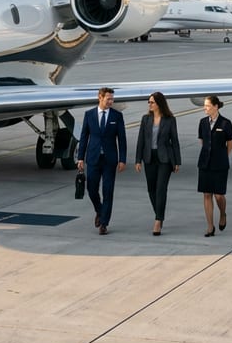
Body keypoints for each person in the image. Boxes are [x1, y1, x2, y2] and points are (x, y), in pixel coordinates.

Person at [76, 87, 127, 235]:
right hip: (93, 158)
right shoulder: (89, 115)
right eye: (108, 99)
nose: (111, 101)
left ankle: (104, 223)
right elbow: (84, 136)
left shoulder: (117, 116)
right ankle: (99, 210)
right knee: (91, 189)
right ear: (100, 97)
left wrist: (122, 159)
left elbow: (122, 139)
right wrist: (80, 157)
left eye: (112, 99)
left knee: (108, 191)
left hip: (110, 159)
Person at [133, 91, 181, 236]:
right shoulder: (145, 119)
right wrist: (137, 160)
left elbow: (175, 141)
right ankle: (159, 214)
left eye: (152, 102)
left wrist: (177, 161)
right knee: (151, 189)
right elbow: (141, 140)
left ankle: (158, 220)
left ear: (159, 103)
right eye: (149, 102)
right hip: (149, 157)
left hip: (165, 159)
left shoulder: (170, 119)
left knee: (161, 189)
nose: (150, 104)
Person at [197, 95, 232, 237]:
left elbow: (230, 144)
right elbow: (202, 141)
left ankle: (223, 214)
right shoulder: (202, 123)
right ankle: (210, 226)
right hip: (205, 164)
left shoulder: (226, 123)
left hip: (220, 165)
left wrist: (222, 157)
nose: (204, 108)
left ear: (216, 106)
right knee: (207, 194)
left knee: (219, 195)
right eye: (204, 105)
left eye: (207, 106)